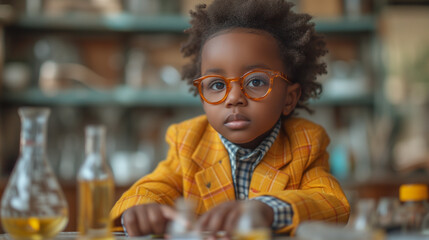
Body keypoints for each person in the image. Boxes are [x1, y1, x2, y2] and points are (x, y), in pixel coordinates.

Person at [110, 0, 350, 236]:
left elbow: (329, 202)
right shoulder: (188, 141)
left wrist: (266, 210)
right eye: (216, 84)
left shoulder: (304, 143)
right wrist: (139, 207)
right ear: (201, 96)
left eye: (256, 81)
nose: (233, 98)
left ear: (289, 98)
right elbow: (155, 186)